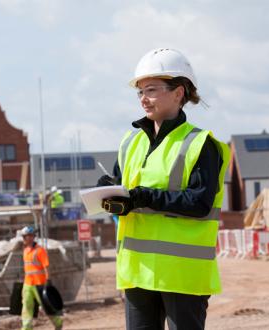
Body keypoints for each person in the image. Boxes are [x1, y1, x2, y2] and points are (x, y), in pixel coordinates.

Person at [98, 48, 230, 329]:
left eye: (152, 90)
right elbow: (123, 189)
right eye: (140, 92)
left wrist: (144, 197)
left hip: (182, 275)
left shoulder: (200, 144)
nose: (144, 99)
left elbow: (199, 203)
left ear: (178, 93)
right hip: (137, 271)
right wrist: (108, 192)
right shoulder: (130, 142)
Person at [20, 226, 63, 330]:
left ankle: (58, 323)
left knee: (46, 306)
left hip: (39, 284)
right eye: (27, 236)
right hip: (27, 284)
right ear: (24, 238)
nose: (29, 238)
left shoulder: (40, 251)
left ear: (34, 237)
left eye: (31, 236)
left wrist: (48, 280)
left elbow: (46, 266)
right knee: (26, 306)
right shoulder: (25, 250)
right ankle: (26, 327)